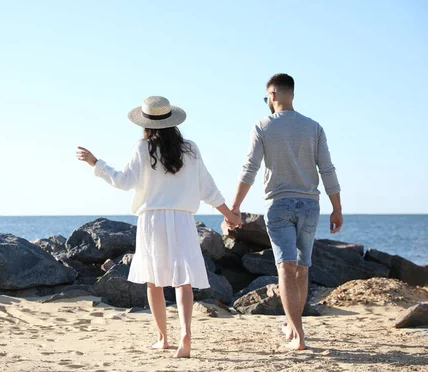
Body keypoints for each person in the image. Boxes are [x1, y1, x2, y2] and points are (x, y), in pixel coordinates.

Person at [76, 96, 241, 358]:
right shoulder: (190, 148)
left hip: (152, 220)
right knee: (183, 281)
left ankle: (163, 338)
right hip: (184, 220)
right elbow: (207, 187)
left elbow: (123, 181)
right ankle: (185, 334)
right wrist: (229, 214)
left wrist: (96, 163)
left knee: (154, 282)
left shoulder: (143, 148)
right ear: (172, 121)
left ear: (146, 123)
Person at [224, 73, 343, 351]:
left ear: (273, 95)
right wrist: (337, 208)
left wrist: (235, 207)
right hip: (311, 205)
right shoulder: (313, 127)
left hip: (279, 205)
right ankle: (293, 326)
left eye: (267, 96)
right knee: (301, 268)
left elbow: (249, 169)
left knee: (285, 268)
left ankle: (298, 335)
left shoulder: (263, 126)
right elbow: (327, 169)